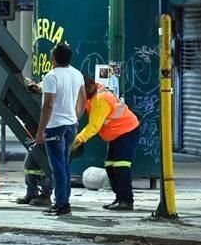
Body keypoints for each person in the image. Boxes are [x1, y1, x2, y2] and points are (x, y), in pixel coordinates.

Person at [72, 75, 141, 211]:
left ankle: (126, 201)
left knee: (121, 166)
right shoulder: (95, 93)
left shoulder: (100, 99)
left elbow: (94, 126)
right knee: (110, 166)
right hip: (117, 133)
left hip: (126, 131)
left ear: (90, 87)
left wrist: (78, 140)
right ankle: (120, 198)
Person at [36, 42, 85, 216]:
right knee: (64, 165)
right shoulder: (77, 74)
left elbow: (48, 105)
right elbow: (83, 101)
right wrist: (75, 119)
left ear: (54, 58)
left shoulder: (51, 76)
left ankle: (61, 204)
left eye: (51, 54)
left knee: (57, 167)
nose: (50, 56)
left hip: (55, 127)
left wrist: (40, 131)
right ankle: (65, 201)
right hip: (71, 126)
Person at [16, 79, 52, 207]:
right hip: (39, 131)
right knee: (30, 165)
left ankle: (45, 195)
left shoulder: (54, 81)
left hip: (48, 131)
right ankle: (32, 193)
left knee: (47, 165)